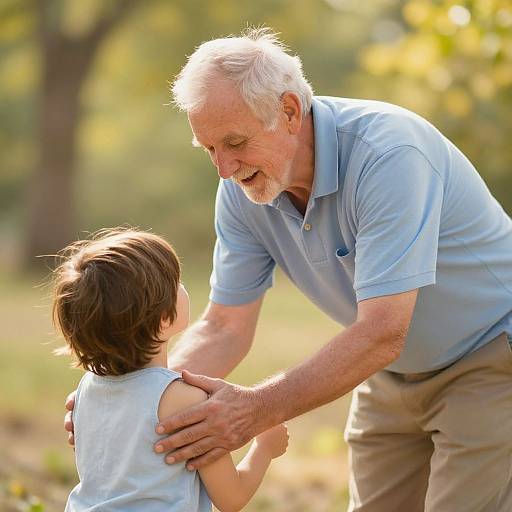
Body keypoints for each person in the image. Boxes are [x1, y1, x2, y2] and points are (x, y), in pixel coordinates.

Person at [65, 28, 512, 511]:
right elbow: (224, 325)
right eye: (209, 148)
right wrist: (134, 395)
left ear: (290, 111)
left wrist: (255, 410)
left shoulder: (389, 156)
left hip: (488, 356)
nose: (223, 168)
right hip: (388, 372)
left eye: (234, 142)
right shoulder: (241, 189)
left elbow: (384, 330)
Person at [53, 227, 288, 512]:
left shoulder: (85, 390)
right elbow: (231, 498)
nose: (183, 286)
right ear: (165, 318)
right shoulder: (184, 400)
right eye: (176, 281)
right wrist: (264, 448)